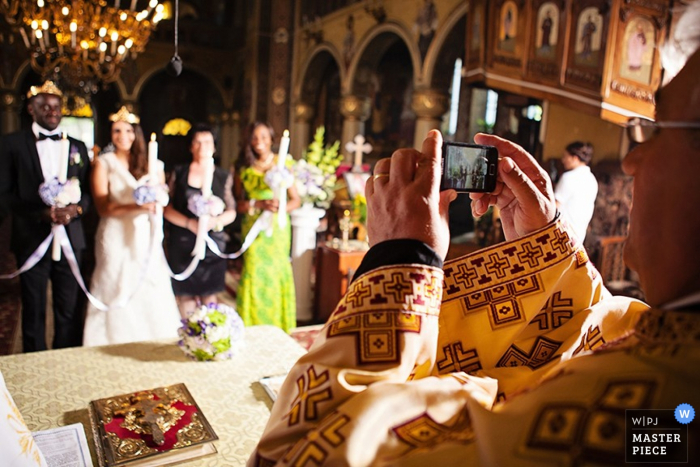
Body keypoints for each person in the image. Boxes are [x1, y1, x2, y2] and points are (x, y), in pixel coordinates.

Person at [248, 4, 700, 465]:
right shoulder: (673, 378)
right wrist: (548, 251)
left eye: (658, 129)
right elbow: (603, 330)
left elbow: (297, 455)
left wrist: (399, 264)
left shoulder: (661, 399)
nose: (630, 162)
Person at [0, 81, 91, 352]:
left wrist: (76, 209)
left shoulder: (78, 146)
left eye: (56, 107)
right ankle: (35, 363)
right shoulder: (12, 144)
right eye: (44, 106)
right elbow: (4, 194)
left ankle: (66, 360)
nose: (52, 111)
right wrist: (41, 213)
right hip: (31, 237)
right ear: (32, 109)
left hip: (71, 239)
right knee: (34, 308)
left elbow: (86, 193)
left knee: (68, 309)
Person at [82, 107, 181, 346]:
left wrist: (157, 201)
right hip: (115, 232)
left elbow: (161, 199)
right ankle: (110, 340)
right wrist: (138, 207)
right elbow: (103, 207)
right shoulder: (104, 164)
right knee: (114, 278)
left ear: (136, 133)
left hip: (144, 234)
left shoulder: (153, 164)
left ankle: (150, 339)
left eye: (128, 130)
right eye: (117, 130)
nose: (122, 135)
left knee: (149, 280)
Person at [164, 124, 237, 317]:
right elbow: (167, 209)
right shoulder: (179, 172)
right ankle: (187, 335)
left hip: (212, 243)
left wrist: (215, 221)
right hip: (182, 242)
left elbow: (232, 211)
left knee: (209, 296)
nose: (202, 146)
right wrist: (190, 224)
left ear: (214, 146)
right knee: (184, 294)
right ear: (190, 146)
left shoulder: (223, 175)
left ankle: (207, 336)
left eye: (207, 142)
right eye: (197, 142)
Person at [234, 122, 300, 332]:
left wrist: (281, 208)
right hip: (254, 227)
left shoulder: (284, 164)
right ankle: (251, 324)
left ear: (272, 139)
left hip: (278, 230)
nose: (259, 142)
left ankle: (279, 325)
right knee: (254, 270)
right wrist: (258, 204)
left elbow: (295, 200)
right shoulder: (243, 168)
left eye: (263, 137)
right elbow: (237, 203)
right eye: (254, 137)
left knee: (276, 272)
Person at [554, 141, 598, 242]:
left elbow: (554, 207)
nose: (563, 160)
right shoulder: (592, 180)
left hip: (561, 234)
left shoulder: (569, 178)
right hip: (578, 237)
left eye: (565, 156)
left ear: (575, 158)